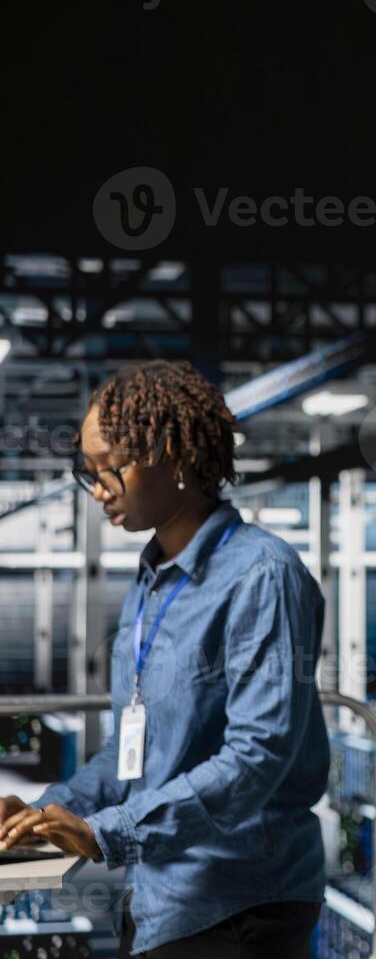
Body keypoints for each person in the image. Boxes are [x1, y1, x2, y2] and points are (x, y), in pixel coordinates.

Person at [0, 360, 329, 958]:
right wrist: (48, 812)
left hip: (240, 903)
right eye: (88, 472)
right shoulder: (152, 580)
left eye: (111, 470)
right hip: (160, 893)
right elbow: (132, 754)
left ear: (173, 456)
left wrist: (106, 833)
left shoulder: (262, 575)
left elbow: (257, 758)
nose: (98, 490)